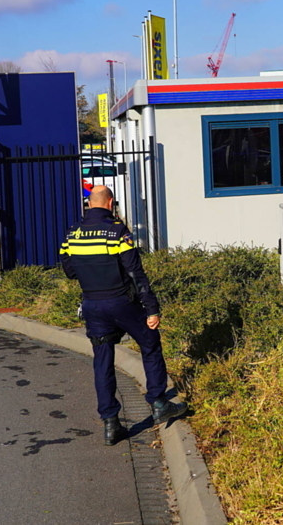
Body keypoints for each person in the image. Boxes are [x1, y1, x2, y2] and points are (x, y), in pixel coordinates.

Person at [60, 185, 188, 446]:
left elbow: (70, 271)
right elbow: (135, 272)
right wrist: (151, 308)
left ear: (90, 204)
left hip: (92, 305)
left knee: (102, 361)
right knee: (150, 343)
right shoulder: (117, 231)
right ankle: (158, 402)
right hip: (121, 303)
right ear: (109, 204)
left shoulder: (72, 234)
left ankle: (110, 424)